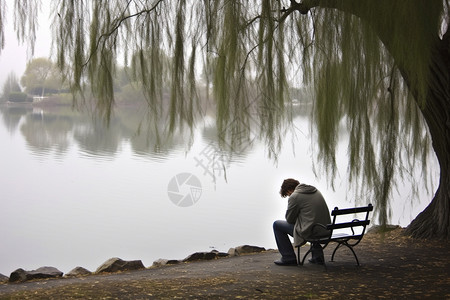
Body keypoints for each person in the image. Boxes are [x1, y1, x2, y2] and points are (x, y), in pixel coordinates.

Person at [273, 178, 331, 266]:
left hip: (312, 232)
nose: (289, 196)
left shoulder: (295, 196)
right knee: (312, 221)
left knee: (277, 225)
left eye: (288, 194)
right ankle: (317, 257)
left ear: (289, 190)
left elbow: (290, 219)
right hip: (325, 230)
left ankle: (288, 257)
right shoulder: (315, 191)